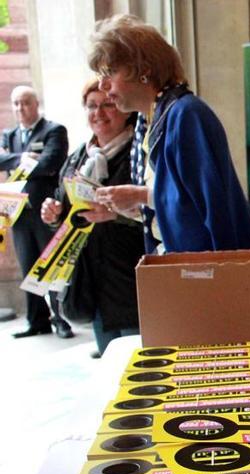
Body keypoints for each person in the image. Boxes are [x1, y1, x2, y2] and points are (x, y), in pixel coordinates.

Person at [87, 14, 250, 254]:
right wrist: (135, 206)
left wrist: (142, 196)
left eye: (110, 72)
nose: (102, 86)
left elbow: (210, 205)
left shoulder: (186, 114)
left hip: (207, 272)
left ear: (143, 70)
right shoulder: (146, 120)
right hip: (178, 268)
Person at [40, 79, 143, 358]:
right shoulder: (78, 156)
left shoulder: (140, 153)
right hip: (93, 280)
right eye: (91, 106)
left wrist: (115, 215)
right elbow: (64, 206)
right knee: (110, 364)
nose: (98, 112)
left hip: (132, 278)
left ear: (125, 109)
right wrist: (53, 212)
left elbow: (160, 212)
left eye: (107, 104)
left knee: (139, 367)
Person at [0, 86, 72, 339]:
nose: (21, 108)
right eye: (16, 103)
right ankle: (37, 320)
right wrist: (22, 158)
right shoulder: (9, 135)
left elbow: (49, 164)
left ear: (36, 103)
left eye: (25, 102)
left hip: (47, 210)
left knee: (51, 265)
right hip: (19, 213)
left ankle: (62, 319)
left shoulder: (53, 130)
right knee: (29, 266)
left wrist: (20, 161)